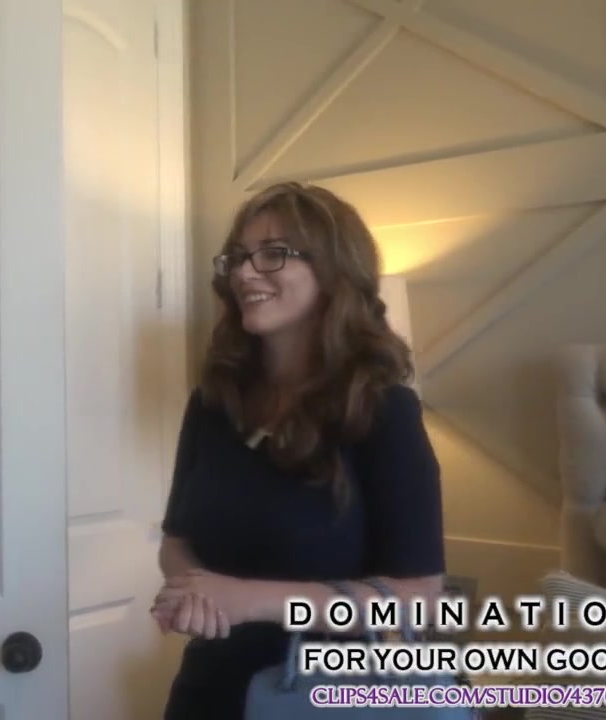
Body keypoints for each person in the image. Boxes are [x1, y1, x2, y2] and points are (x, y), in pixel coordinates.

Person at [149, 182, 447, 718]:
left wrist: (246, 599)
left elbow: (417, 598)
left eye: (273, 253)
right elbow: (176, 541)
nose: (244, 273)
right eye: (238, 257)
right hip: (210, 688)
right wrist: (191, 589)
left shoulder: (383, 410)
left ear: (334, 271)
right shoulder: (213, 403)